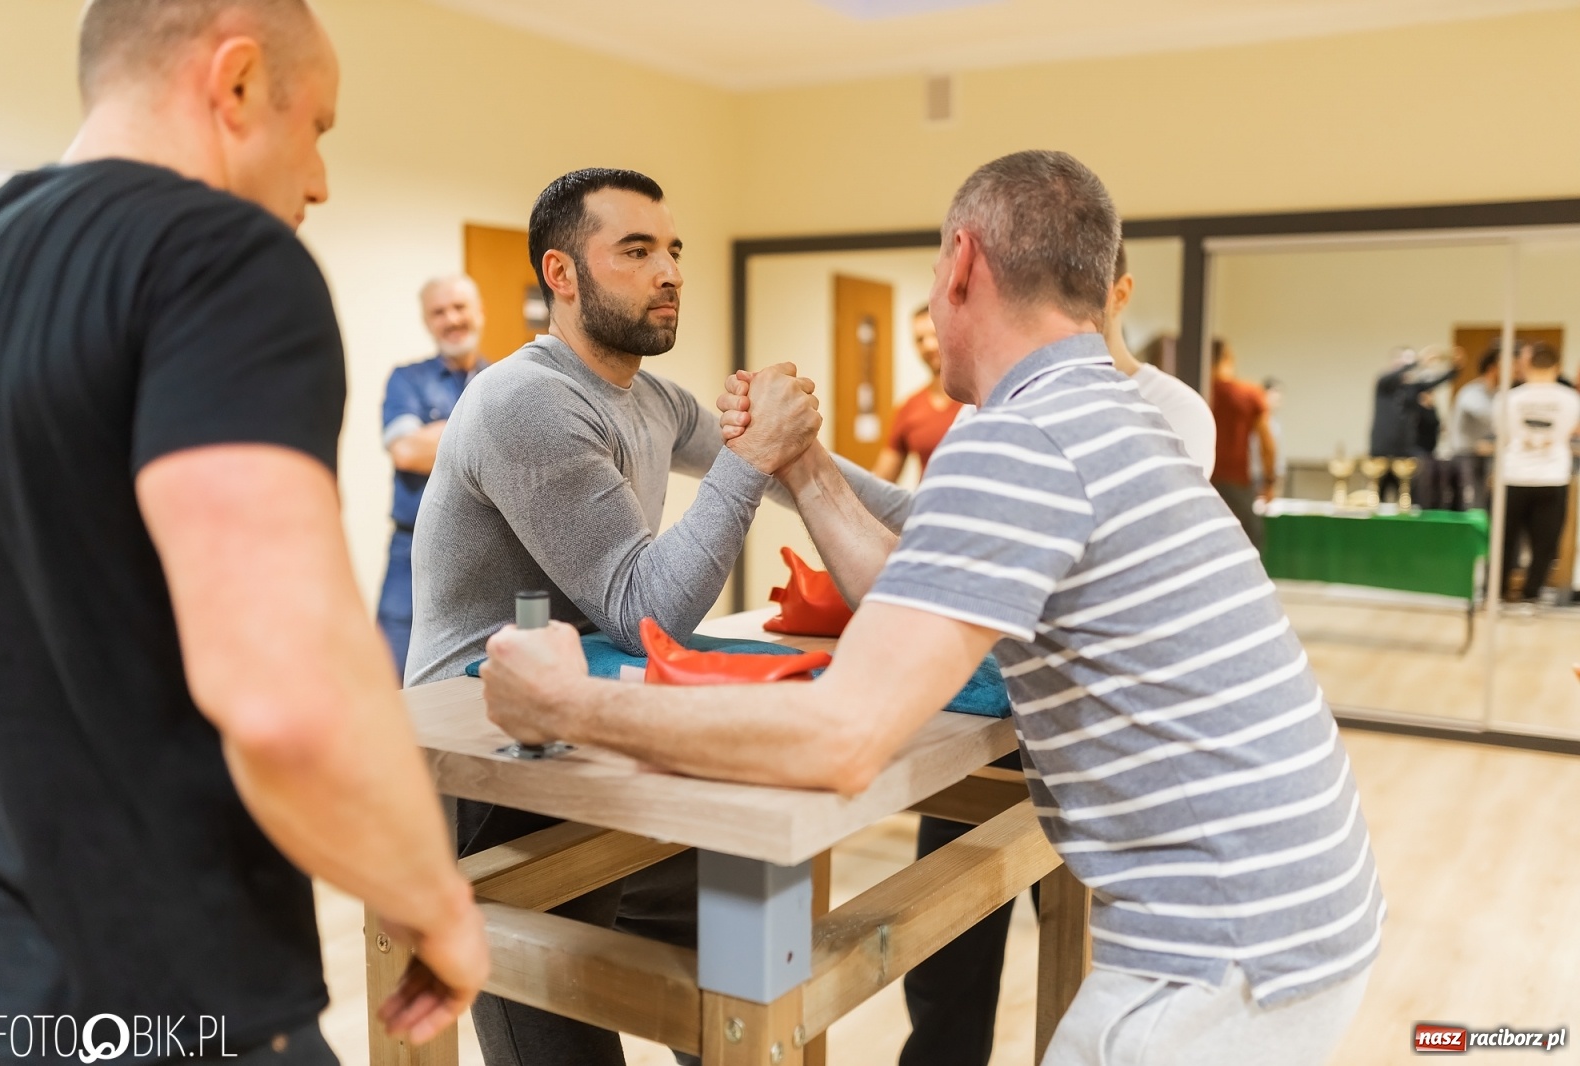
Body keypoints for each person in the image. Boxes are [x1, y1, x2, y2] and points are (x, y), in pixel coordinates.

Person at [482, 149, 1381, 1066]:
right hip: (1303, 909)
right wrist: (804, 463)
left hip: (1224, 955)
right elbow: (922, 583)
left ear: (960, 265)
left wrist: (566, 703)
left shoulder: (1017, 439)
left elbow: (842, 740)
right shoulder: (1110, 413)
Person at [0, 1, 486, 1058]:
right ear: (239, 81)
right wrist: (429, 897)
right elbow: (280, 692)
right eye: (320, 130)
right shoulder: (221, 259)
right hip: (169, 990)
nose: (319, 182)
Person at [407, 167, 906, 1066]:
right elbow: (645, 611)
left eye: (672, 250)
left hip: (585, 727)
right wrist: (755, 455)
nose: (670, 270)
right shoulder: (525, 400)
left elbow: (861, 496)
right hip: (486, 761)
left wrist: (973, 513)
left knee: (751, 971)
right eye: (636, 251)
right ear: (562, 276)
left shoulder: (647, 399)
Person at [894, 237, 1218, 1066]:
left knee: (1077, 952)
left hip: (1086, 738)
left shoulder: (1172, 410)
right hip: (985, 721)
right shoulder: (987, 409)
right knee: (944, 962)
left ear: (1118, 293)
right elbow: (938, 545)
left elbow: (1081, 587)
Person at [378, 275, 490, 675]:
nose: (451, 319)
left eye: (459, 307)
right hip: (409, 555)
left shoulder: (503, 380)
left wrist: (438, 433)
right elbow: (407, 451)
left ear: (479, 313)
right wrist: (483, 437)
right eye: (438, 312)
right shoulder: (406, 380)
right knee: (393, 682)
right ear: (427, 322)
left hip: (485, 558)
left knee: (470, 683)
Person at [1498, 343, 1580, 602]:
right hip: (1552, 475)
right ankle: (1531, 594)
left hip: (1514, 474)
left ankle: (1498, 592)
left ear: (1527, 365)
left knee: (1506, 539)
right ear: (1557, 367)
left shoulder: (1509, 398)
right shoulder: (1571, 399)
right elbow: (1571, 431)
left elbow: (1502, 434)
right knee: (1544, 542)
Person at [873, 305, 961, 482]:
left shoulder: (980, 399)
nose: (928, 345)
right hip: (928, 508)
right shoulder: (909, 407)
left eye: (935, 334)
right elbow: (881, 479)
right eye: (919, 339)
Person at [1210, 340, 1277, 549]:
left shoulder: (1195, 389)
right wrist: (1269, 480)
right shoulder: (1249, 393)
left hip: (1201, 479)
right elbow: (1267, 441)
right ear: (1228, 357)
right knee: (1249, 542)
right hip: (1236, 480)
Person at [1368, 347, 1459, 501]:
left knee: (1405, 495)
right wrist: (1419, 361)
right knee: (1378, 494)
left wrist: (1456, 368)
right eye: (1404, 360)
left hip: (1404, 450)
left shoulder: (1412, 388)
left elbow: (1437, 382)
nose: (1408, 365)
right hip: (1382, 449)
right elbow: (1398, 374)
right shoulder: (1384, 383)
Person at [1452, 346, 1500, 510]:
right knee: (1472, 506)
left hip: (1488, 459)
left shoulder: (1498, 393)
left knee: (1490, 507)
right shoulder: (1472, 392)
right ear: (1493, 368)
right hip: (1466, 457)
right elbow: (1491, 419)